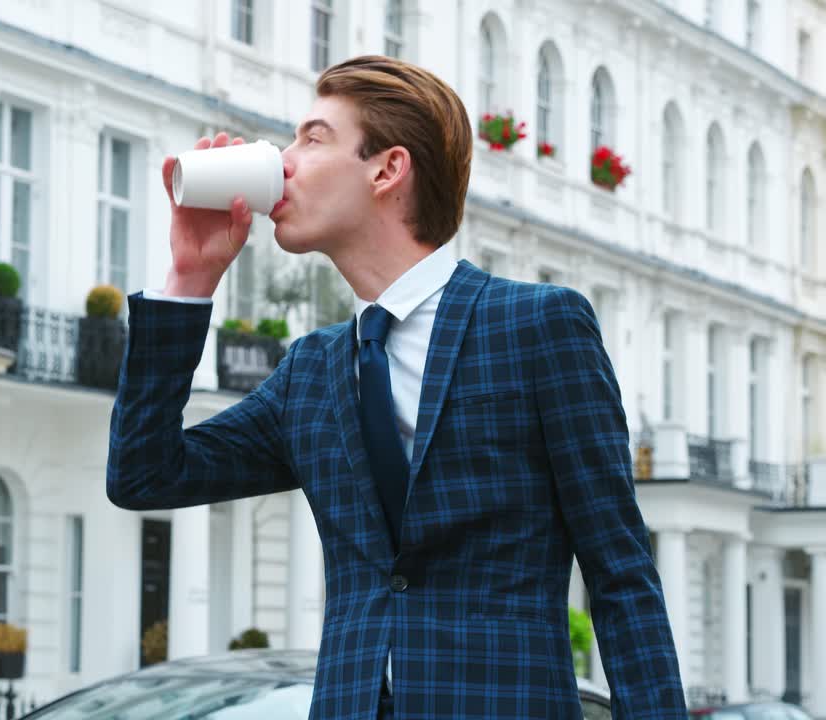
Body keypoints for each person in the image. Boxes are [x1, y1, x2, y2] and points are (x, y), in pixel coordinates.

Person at [108, 54, 685, 720]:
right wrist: (189, 282)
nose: (285, 161)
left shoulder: (537, 326)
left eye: (313, 137)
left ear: (387, 169)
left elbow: (621, 575)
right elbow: (143, 475)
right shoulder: (312, 372)